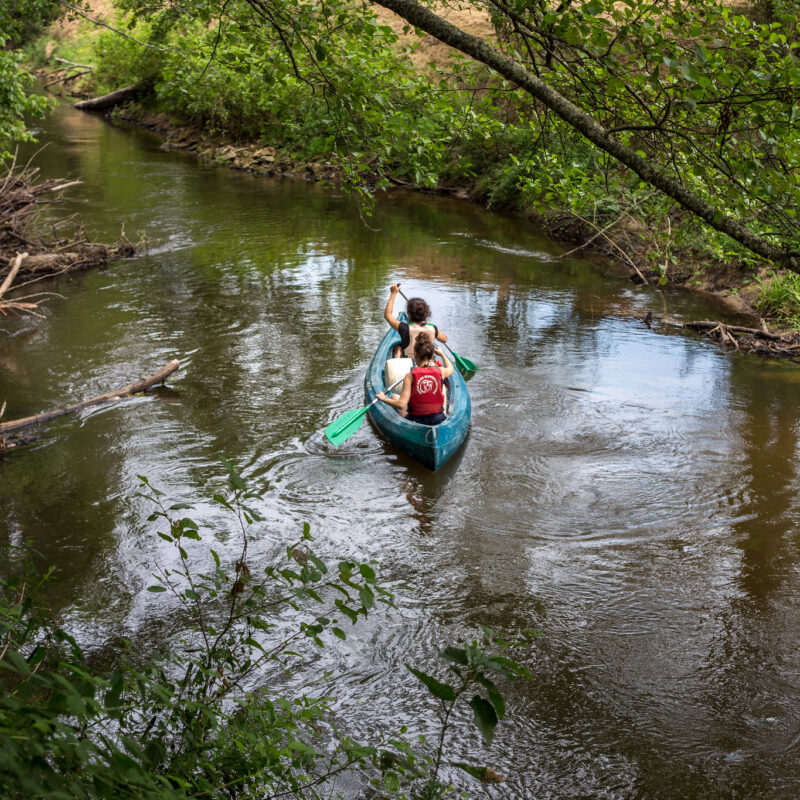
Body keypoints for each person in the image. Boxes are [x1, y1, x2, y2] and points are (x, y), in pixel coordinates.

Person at [377, 331, 454, 425]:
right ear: (432, 356)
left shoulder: (409, 376)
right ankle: (444, 416)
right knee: (444, 388)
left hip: (416, 421)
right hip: (438, 419)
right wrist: (442, 354)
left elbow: (401, 405)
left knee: (394, 396)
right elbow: (451, 368)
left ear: (415, 356)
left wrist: (384, 398)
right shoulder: (441, 371)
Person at [384, 283, 448, 359]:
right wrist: (430, 326)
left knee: (397, 348)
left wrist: (393, 293)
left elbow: (387, 315)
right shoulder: (433, 328)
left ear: (408, 314)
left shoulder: (404, 328)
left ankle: (397, 354)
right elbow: (444, 339)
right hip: (428, 362)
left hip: (410, 363)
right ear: (426, 313)